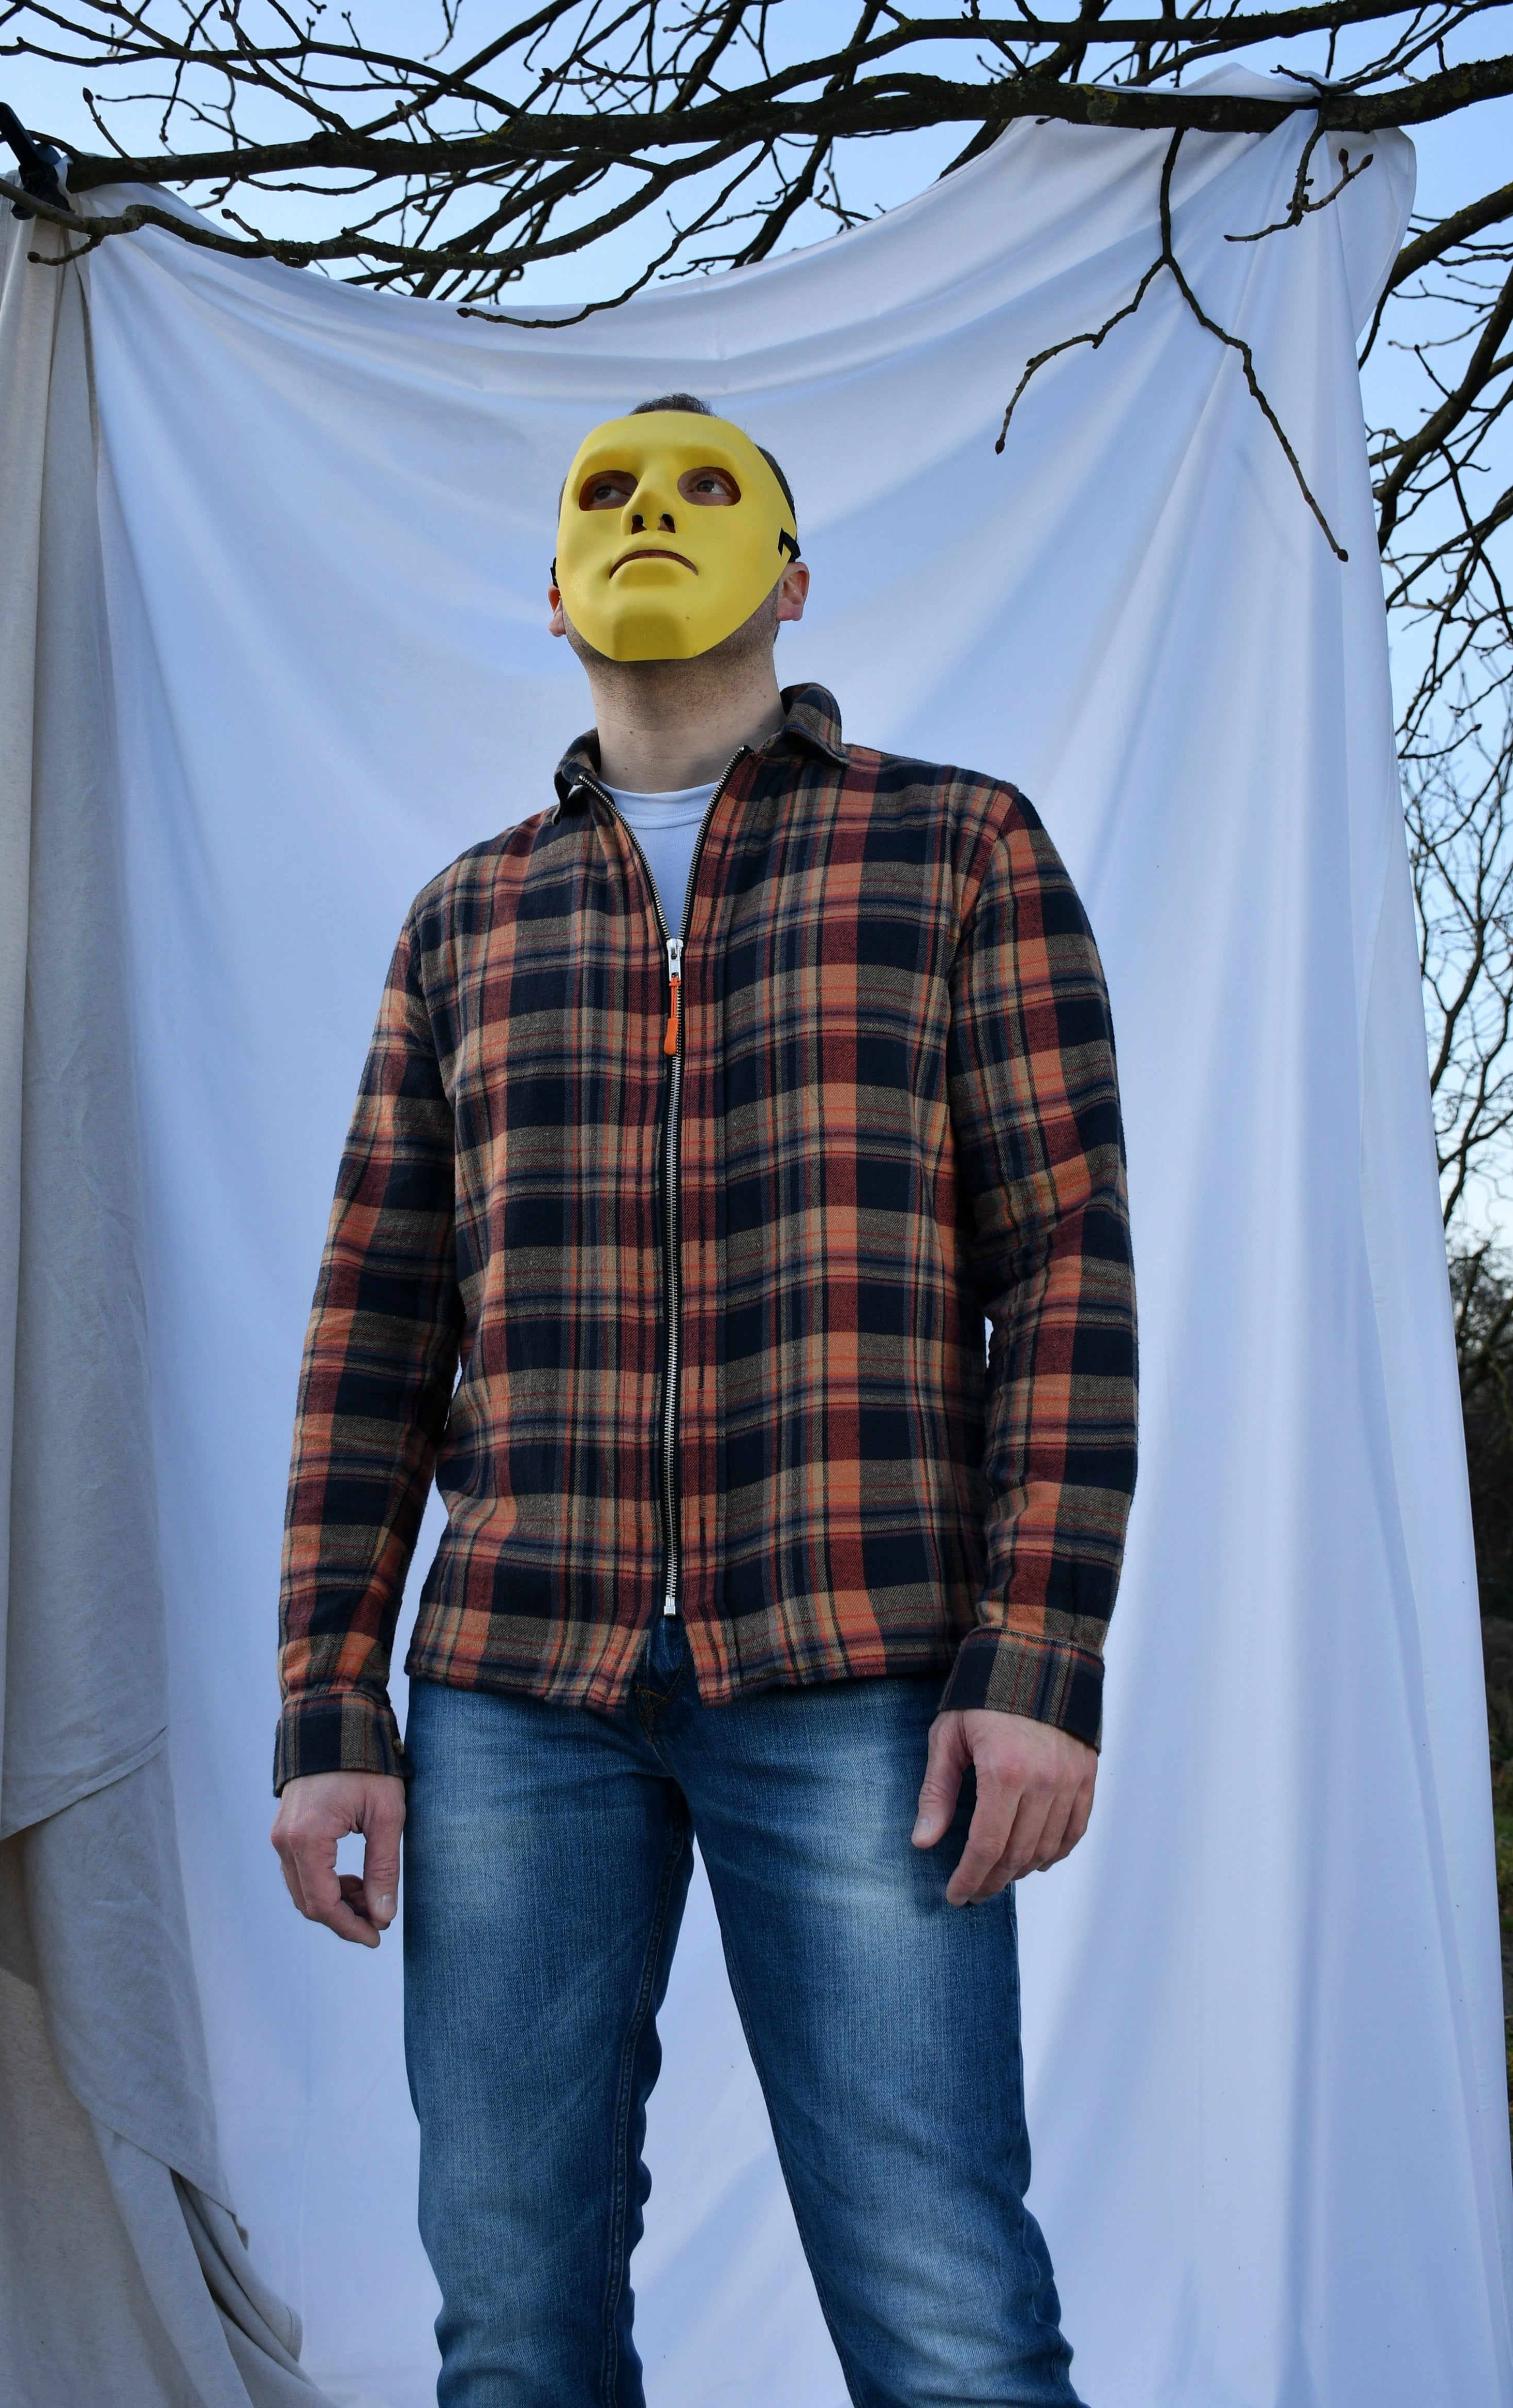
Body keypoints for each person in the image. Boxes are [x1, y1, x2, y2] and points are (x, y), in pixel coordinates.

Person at [271, 394, 1138, 2407]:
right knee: (513, 2326)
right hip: (513, 1694)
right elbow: (374, 1329)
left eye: (705, 488)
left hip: (859, 1674)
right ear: (554, 592)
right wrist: (330, 1707)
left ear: (793, 579)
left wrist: (1036, 1657)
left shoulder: (958, 848)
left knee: (946, 2319)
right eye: (610, 493)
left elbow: (1063, 1268)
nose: (653, 512)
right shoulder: (466, 918)